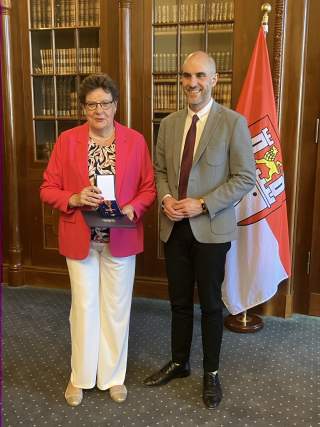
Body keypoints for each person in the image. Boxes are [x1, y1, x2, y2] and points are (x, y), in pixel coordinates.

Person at [143, 51, 256, 409]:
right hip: (173, 227)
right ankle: (179, 362)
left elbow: (245, 177)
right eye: (187, 76)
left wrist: (203, 203)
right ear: (181, 80)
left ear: (214, 80)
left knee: (209, 305)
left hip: (211, 230)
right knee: (178, 302)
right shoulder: (170, 122)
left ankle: (211, 373)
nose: (193, 83)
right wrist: (165, 198)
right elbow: (159, 169)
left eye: (201, 76)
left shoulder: (233, 123)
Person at [40, 74, 156, 406]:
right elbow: (47, 188)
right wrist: (74, 198)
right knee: (84, 307)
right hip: (81, 238)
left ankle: (112, 377)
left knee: (116, 308)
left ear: (115, 106)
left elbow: (148, 187)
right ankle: (80, 377)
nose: (99, 110)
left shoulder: (135, 141)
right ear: (83, 108)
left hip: (121, 236)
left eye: (105, 103)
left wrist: (135, 207)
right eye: (91, 104)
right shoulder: (67, 141)